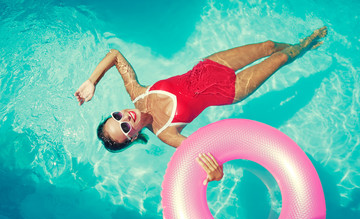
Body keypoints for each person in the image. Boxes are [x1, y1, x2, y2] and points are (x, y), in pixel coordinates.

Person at [75, 26, 327, 185]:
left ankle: (300, 45)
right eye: (126, 127)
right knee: (280, 59)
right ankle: (308, 44)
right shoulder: (166, 134)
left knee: (270, 47)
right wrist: (216, 174)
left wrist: (91, 81)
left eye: (117, 116)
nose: (126, 118)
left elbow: (115, 55)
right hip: (230, 91)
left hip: (210, 66)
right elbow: (203, 152)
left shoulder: (137, 94)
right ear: (133, 138)